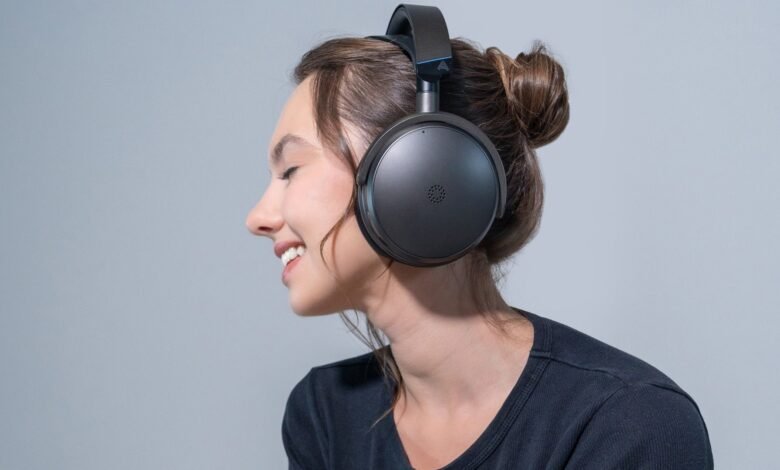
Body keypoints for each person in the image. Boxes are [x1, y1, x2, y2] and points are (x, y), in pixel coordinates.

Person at [244, 11, 714, 470]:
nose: (257, 218)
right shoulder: (324, 416)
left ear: (421, 168)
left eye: (291, 171)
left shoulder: (630, 425)